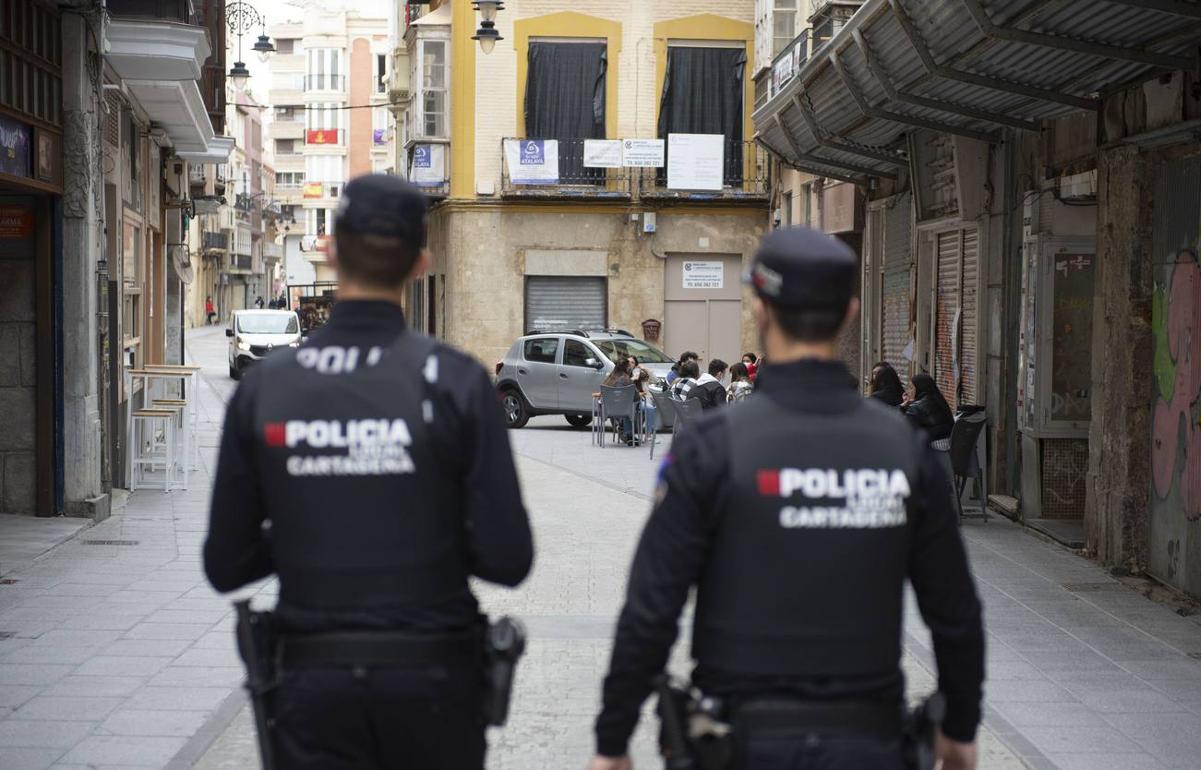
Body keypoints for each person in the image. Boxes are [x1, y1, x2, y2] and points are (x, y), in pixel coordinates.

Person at [588, 227, 984, 770]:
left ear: (759, 308)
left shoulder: (709, 447)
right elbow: (955, 611)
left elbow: (651, 608)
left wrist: (613, 741)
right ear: (848, 313)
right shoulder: (904, 451)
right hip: (869, 744)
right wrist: (960, 728)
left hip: (739, 744)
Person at [203, 174, 534, 769]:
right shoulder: (456, 380)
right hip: (435, 680)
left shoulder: (267, 387)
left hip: (312, 682)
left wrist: (306, 530)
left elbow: (226, 565)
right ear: (419, 262)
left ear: (329, 251)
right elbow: (509, 558)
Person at [905, 373, 955, 442]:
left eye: (911, 388)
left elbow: (907, 433)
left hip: (928, 448)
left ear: (919, 388)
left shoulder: (915, 408)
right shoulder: (940, 400)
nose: (907, 392)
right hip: (948, 445)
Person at [603, 358, 640, 445]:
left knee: (627, 406)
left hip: (609, 411)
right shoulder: (627, 380)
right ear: (627, 369)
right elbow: (636, 397)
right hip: (625, 411)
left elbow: (602, 394)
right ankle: (629, 434)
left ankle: (623, 427)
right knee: (633, 405)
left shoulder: (608, 380)